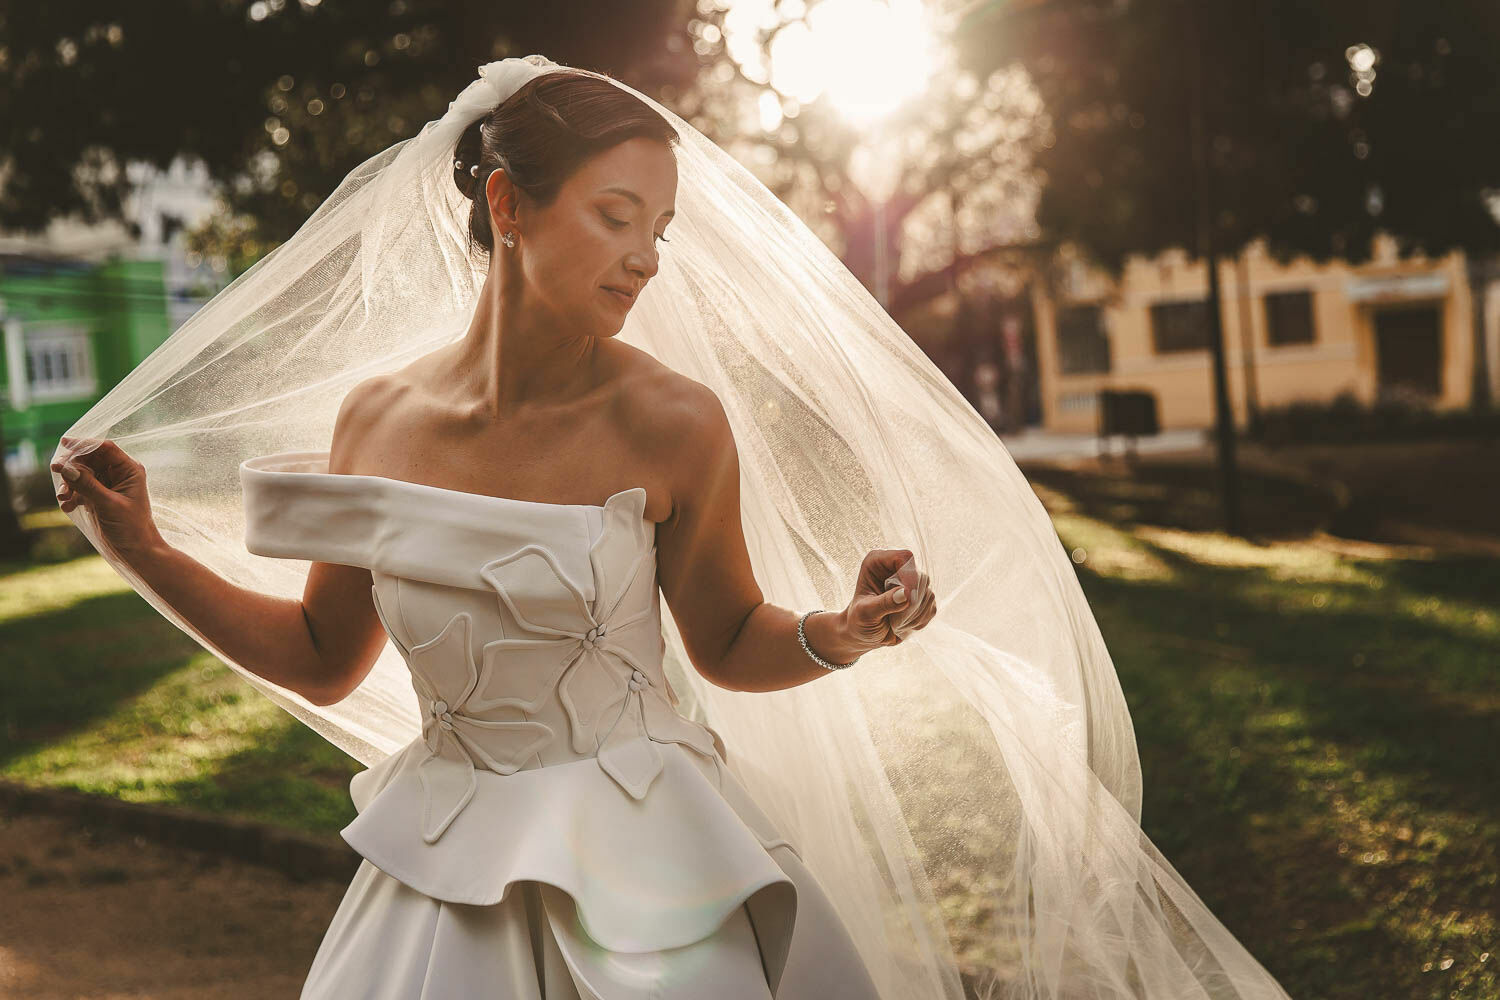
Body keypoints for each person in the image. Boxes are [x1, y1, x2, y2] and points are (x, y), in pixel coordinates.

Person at [50, 56, 1293, 998]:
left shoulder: (674, 423)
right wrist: (145, 549)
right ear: (508, 205)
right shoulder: (376, 420)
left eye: (662, 228)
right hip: (444, 875)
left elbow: (728, 635)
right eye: (617, 216)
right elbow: (328, 653)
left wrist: (841, 631)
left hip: (655, 868)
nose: (648, 257)